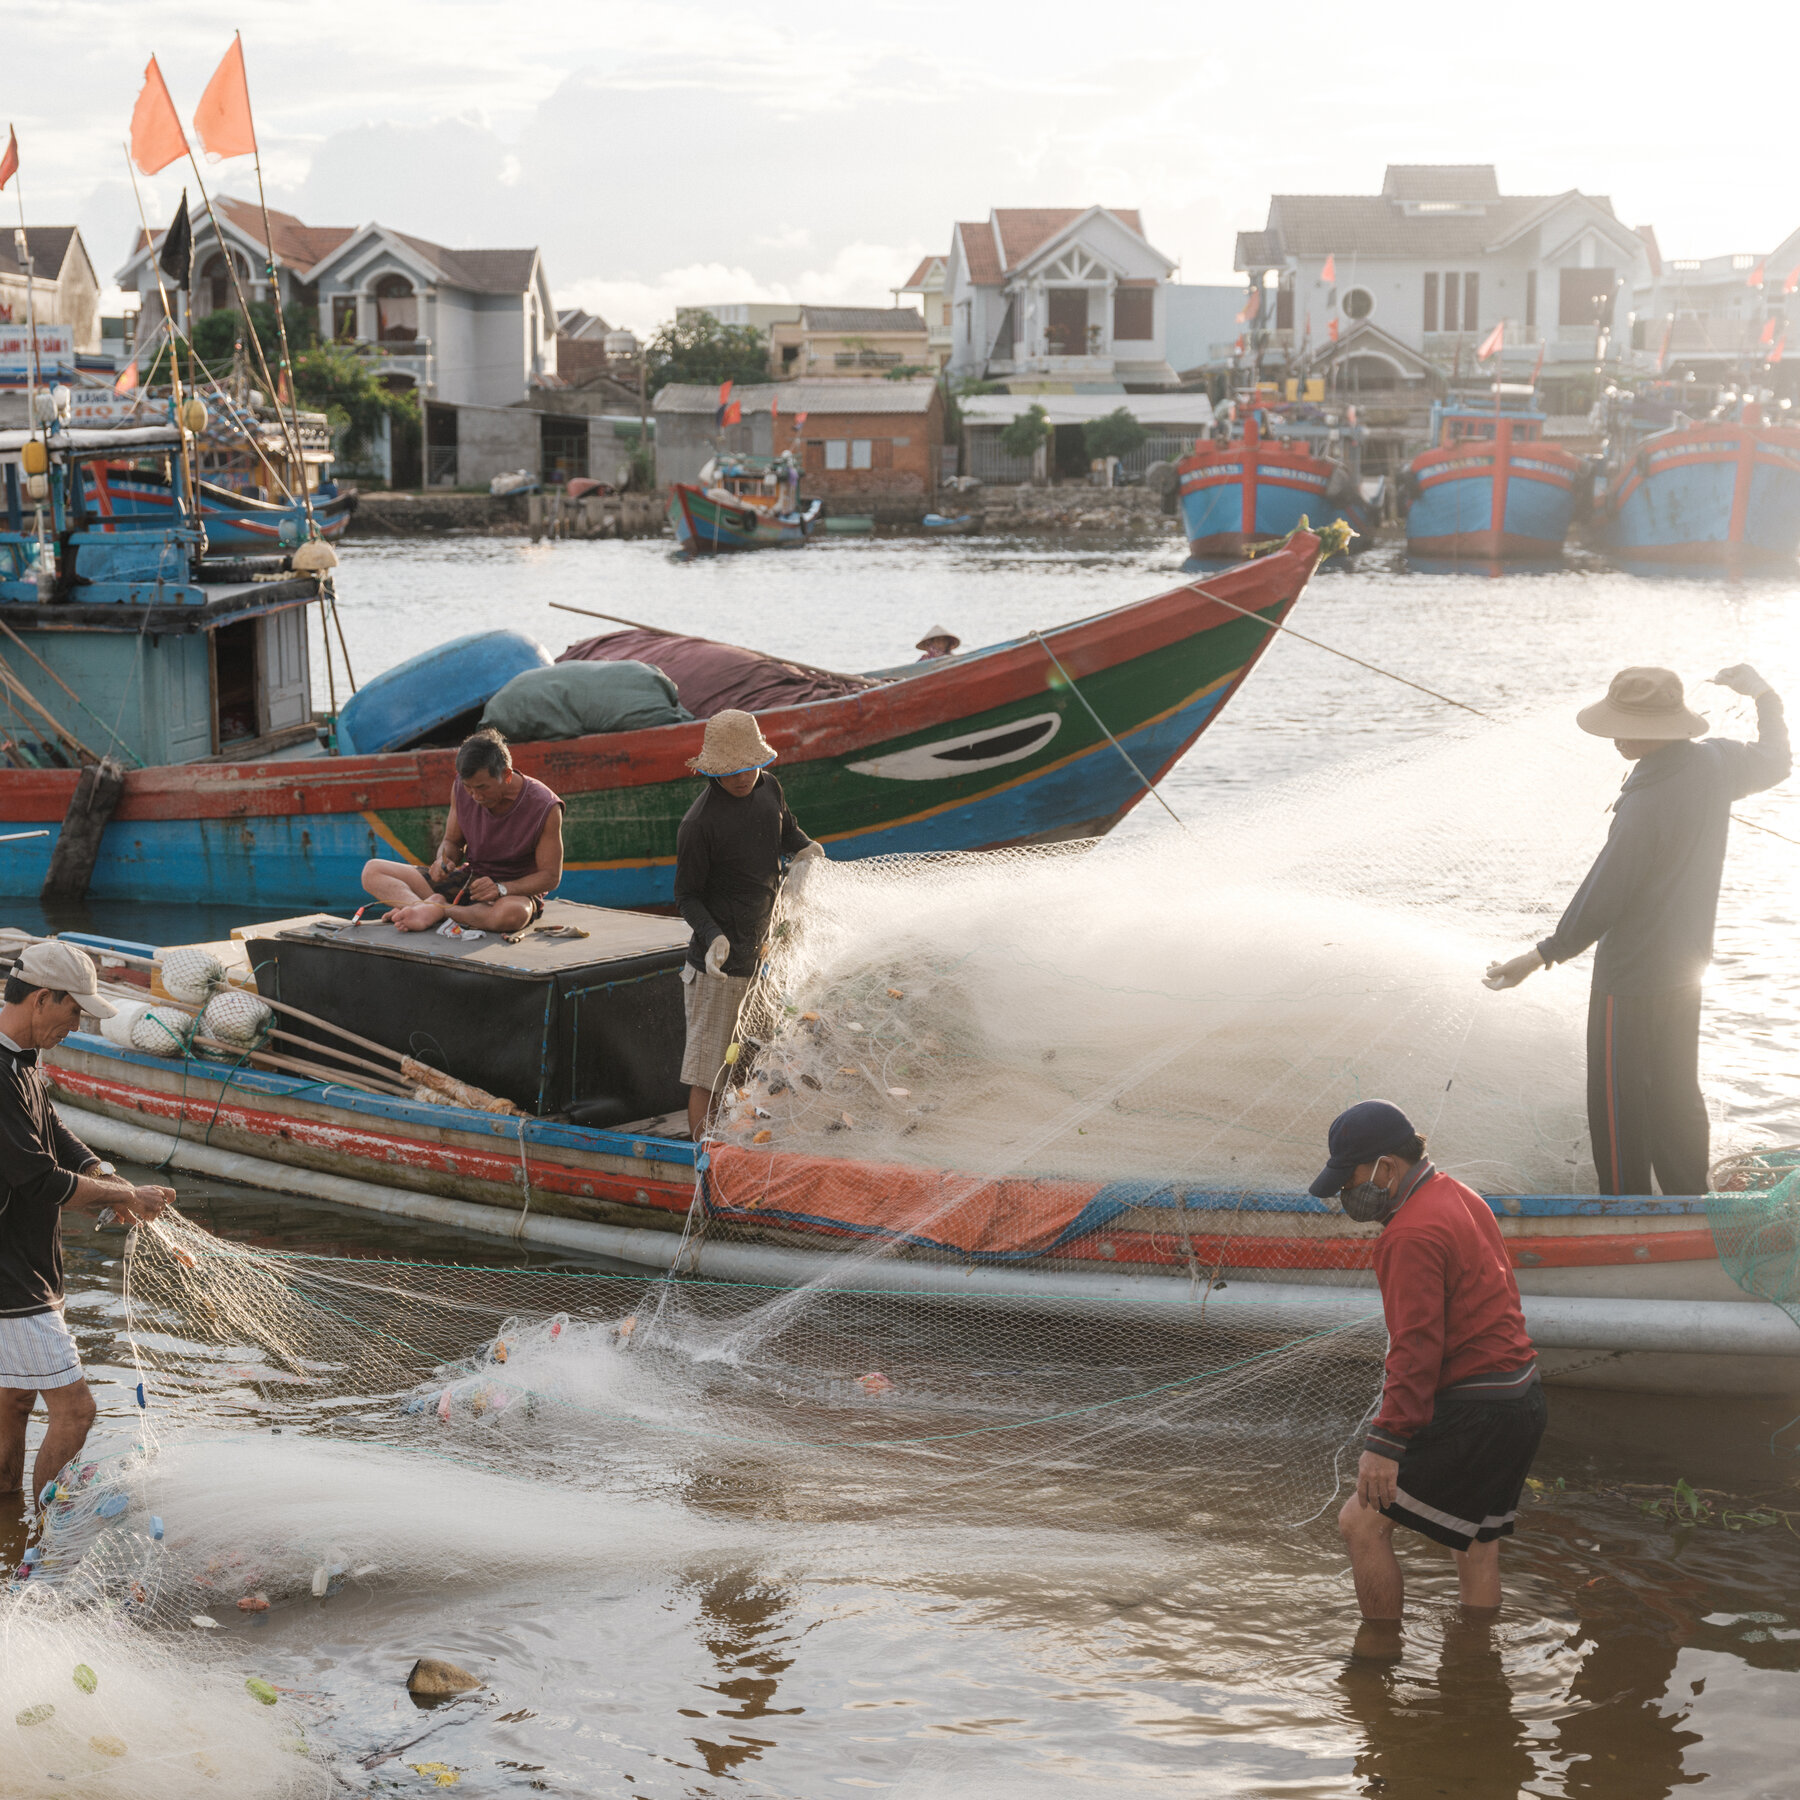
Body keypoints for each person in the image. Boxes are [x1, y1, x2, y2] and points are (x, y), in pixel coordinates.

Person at [1485, 664, 1788, 1196]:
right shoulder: (1717, 761)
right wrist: (1765, 696)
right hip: (1686, 971)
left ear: (1665, 729)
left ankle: (1626, 1208)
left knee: (1618, 1104)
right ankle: (1689, 1201)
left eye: (1627, 727)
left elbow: (1605, 895)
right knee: (1675, 1093)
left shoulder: (1645, 803)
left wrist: (1540, 955)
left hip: (1629, 979)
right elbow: (1778, 760)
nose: (1616, 737)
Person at [1316, 1100, 1545, 1655]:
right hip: (1520, 1396)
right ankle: (1474, 1670)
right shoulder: (1458, 1195)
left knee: (1361, 1524)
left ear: (1386, 1167)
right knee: (1477, 1544)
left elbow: (1416, 1348)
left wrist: (1386, 1442)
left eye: (1351, 1179)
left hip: (1477, 1409)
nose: (1348, 1194)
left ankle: (1378, 1662)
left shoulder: (1408, 1235)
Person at [2, 942, 173, 1522]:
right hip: (10, 1279)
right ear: (43, 998)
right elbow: (41, 1181)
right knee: (76, 1412)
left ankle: (9, 1530)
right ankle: (46, 1546)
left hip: (23, 1261)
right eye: (74, 1012)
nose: (78, 1026)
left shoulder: (22, 1056)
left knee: (15, 1401)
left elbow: (50, 1127)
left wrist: (102, 1172)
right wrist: (130, 1195)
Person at [674, 709, 823, 1139]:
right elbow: (685, 896)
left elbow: (788, 834)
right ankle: (704, 1156)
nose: (743, 778)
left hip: (766, 950)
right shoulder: (699, 824)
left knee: (756, 1061)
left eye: (749, 767)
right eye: (731, 771)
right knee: (708, 1071)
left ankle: (744, 1141)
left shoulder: (769, 789)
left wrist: (807, 848)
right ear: (713, 771)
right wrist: (713, 936)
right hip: (718, 967)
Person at [361, 728, 565, 935]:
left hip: (513, 892)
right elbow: (452, 842)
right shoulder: (460, 786)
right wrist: (444, 859)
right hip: (470, 881)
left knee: (512, 915)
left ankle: (433, 911)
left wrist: (502, 888)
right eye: (469, 788)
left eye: (483, 787)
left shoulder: (545, 806)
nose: (475, 796)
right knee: (373, 871)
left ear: (507, 775)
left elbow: (550, 876)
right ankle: (424, 908)